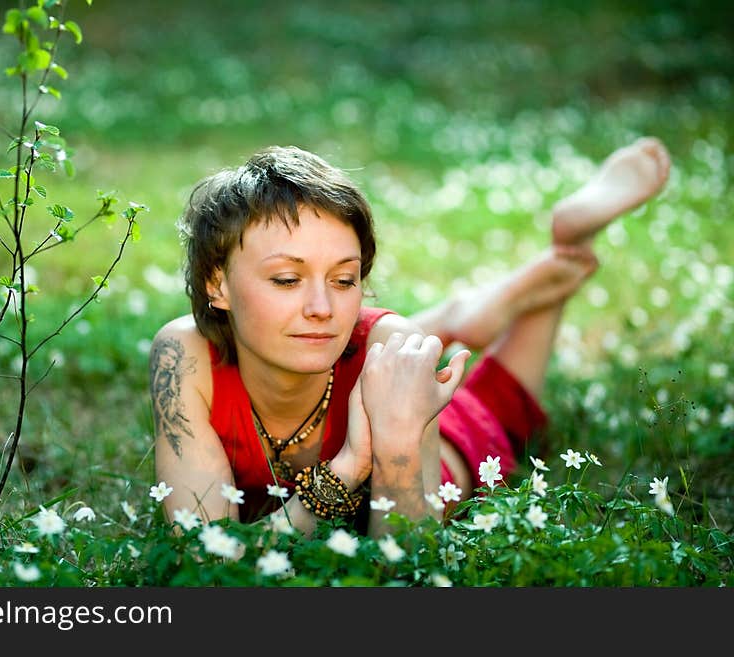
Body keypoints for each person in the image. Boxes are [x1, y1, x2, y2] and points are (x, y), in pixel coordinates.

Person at [149, 138, 671, 538]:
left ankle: (569, 243)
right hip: (379, 361)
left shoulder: (388, 347)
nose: (321, 308)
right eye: (287, 280)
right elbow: (201, 557)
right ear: (216, 283)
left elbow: (405, 557)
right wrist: (350, 465)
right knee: (390, 344)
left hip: (425, 438)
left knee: (503, 401)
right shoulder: (183, 355)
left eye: (344, 280)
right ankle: (457, 316)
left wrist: (394, 440)